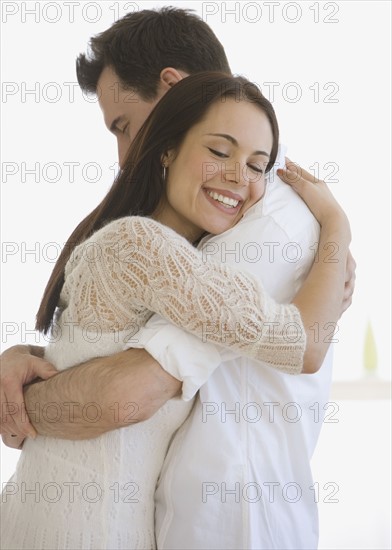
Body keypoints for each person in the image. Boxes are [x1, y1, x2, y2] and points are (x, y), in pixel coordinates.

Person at [0, 7, 355, 549]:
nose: (122, 156)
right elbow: (105, 347)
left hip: (234, 525)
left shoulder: (262, 222)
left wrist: (338, 229)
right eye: (219, 153)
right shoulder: (159, 239)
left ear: (172, 89)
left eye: (122, 126)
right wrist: (20, 362)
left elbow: (122, 394)